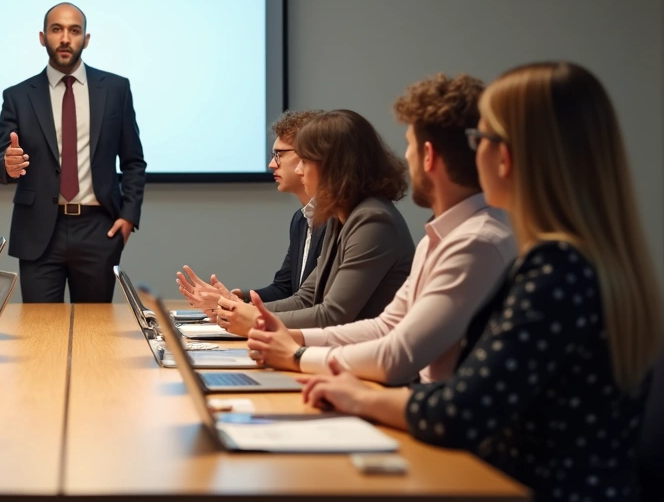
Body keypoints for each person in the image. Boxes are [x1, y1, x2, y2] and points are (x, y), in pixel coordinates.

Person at [301, 62, 664, 501]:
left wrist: (358, 397)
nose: (474, 153)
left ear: (505, 155)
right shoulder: (586, 260)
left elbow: (461, 410)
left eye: (482, 138)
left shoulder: (555, 271)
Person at [245, 75, 516, 385]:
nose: (406, 157)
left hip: (428, 408)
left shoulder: (476, 242)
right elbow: (386, 327)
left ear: (428, 155)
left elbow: (396, 356)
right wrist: (290, 336)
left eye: (410, 145)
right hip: (418, 399)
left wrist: (296, 355)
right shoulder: (441, 236)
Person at [182, 110, 416, 330]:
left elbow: (331, 315)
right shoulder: (341, 217)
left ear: (333, 165)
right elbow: (306, 299)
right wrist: (237, 310)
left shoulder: (373, 220)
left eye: (306, 161)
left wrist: (249, 317)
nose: (300, 170)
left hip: (366, 366)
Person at [0, 2, 146, 303]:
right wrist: (8, 166)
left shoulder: (116, 89)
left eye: (74, 31)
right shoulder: (18, 95)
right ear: (42, 37)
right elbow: (0, 161)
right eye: (57, 29)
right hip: (38, 230)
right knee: (39, 330)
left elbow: (133, 161)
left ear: (86, 39)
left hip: (98, 228)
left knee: (96, 331)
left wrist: (129, 216)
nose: (65, 38)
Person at [178, 109, 325, 313]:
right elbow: (285, 289)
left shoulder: (339, 220)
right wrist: (236, 299)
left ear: (311, 155)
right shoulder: (300, 219)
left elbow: (311, 302)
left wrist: (238, 308)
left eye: (279, 155)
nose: (272, 164)